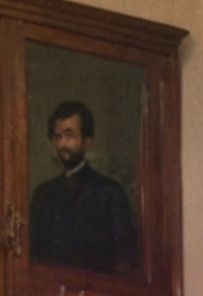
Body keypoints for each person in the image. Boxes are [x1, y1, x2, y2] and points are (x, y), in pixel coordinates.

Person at [29, 101, 136, 274]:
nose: (62, 144)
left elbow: (123, 260)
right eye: (57, 137)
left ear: (87, 142)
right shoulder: (42, 194)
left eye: (69, 136)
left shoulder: (110, 192)